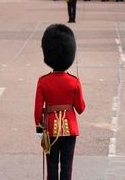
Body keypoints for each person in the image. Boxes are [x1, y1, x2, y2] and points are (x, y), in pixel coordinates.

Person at [35, 24, 86, 180]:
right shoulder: (74, 81)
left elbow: (38, 110)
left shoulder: (43, 81)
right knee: (66, 166)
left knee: (51, 167)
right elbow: (81, 108)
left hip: (50, 128)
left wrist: (39, 126)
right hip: (70, 128)